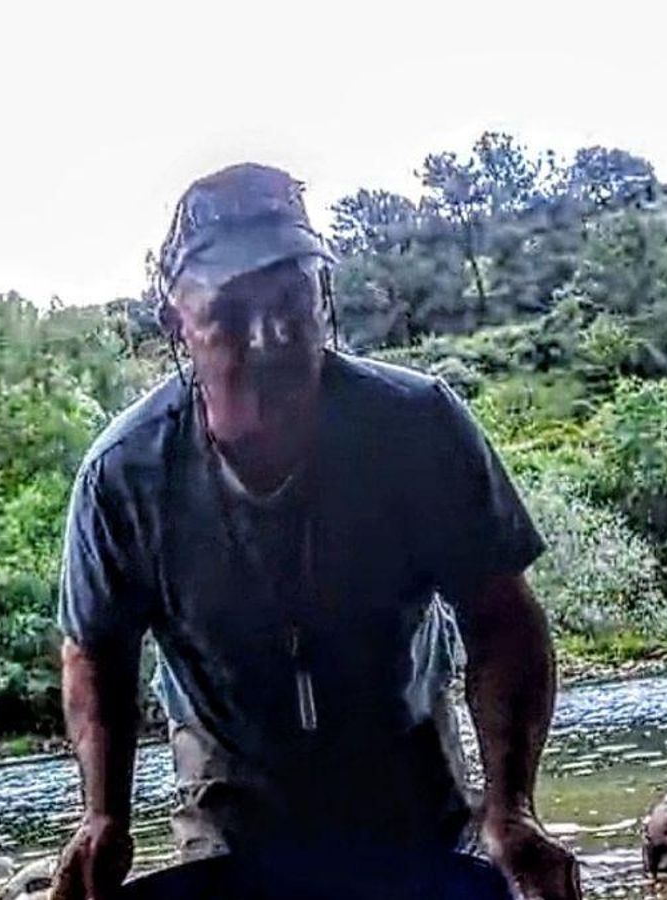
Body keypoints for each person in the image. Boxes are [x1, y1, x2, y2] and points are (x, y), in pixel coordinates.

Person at [49, 164, 582, 899]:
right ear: (176, 321)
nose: (270, 335)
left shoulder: (417, 425)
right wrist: (101, 816)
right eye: (232, 312)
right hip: (231, 818)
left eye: (292, 300)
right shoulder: (123, 475)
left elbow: (502, 620)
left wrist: (511, 809)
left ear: (322, 294)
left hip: (413, 797)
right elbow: (96, 653)